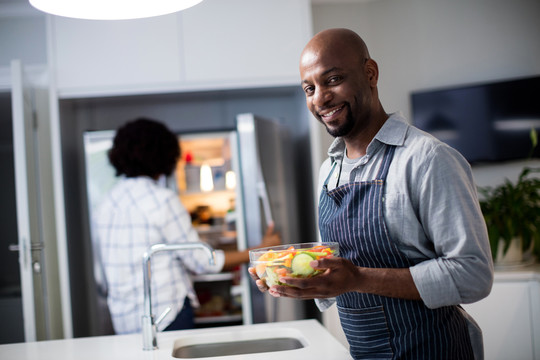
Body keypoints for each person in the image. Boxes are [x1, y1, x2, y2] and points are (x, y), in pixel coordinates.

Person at [248, 28, 494, 359]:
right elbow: (336, 271)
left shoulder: (426, 158)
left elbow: (473, 275)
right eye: (310, 88)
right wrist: (296, 278)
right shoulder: (328, 171)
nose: (320, 98)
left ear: (370, 73)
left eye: (332, 80)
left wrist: (358, 278)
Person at [94, 117, 280, 335]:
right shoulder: (161, 200)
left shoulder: (105, 204)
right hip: (165, 316)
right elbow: (204, 262)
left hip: (124, 320)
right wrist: (261, 249)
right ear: (164, 155)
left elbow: (103, 276)